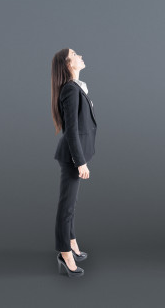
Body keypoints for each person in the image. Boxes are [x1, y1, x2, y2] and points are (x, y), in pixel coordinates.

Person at [50, 48, 97, 278]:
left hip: (76, 155)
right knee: (66, 206)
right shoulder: (70, 89)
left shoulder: (75, 87)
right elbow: (71, 131)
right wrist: (80, 162)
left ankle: (72, 242)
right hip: (72, 157)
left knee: (71, 204)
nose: (80, 56)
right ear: (68, 64)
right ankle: (64, 252)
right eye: (75, 54)